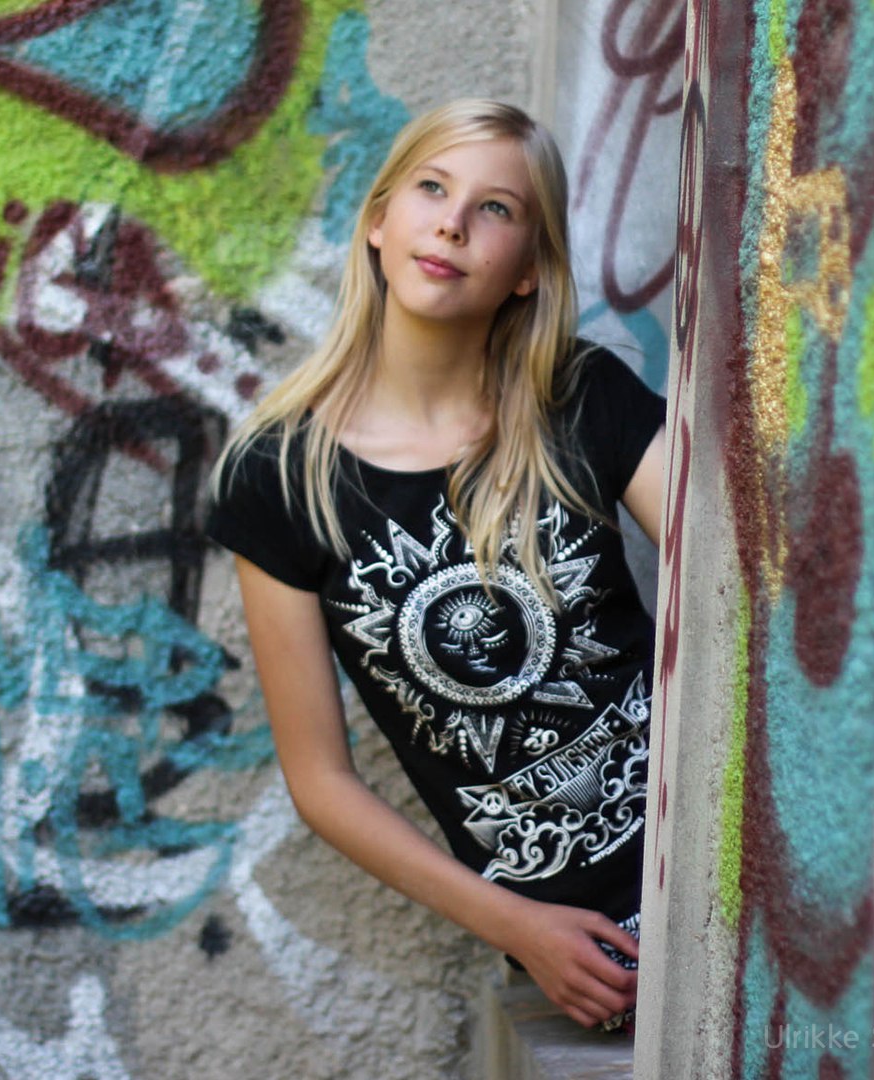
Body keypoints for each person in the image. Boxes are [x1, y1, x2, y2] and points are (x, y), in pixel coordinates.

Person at [206, 99, 667, 1031]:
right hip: (585, 947)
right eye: (431, 188)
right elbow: (322, 784)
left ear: (529, 272)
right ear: (379, 221)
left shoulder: (581, 400)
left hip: (719, 861)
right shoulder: (279, 476)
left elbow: (740, 585)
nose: (453, 222)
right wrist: (520, 926)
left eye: (496, 209)